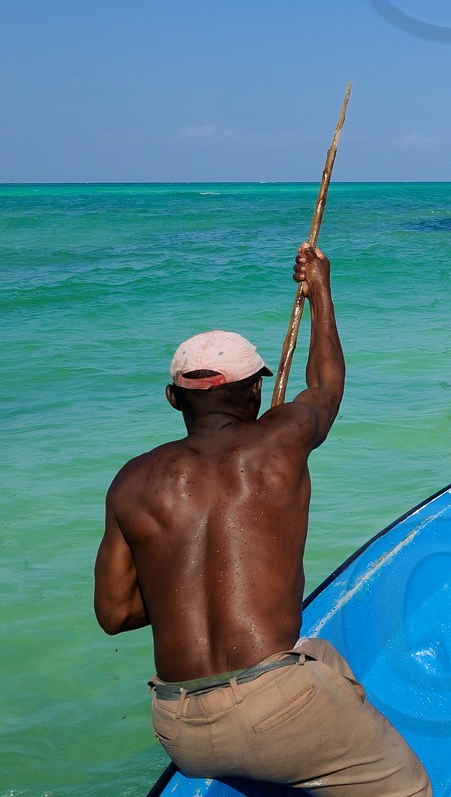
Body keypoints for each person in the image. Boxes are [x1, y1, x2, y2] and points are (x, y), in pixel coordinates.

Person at [94, 243, 430, 796]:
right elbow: (325, 387)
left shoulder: (131, 481)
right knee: (411, 788)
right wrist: (320, 288)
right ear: (255, 390)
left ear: (173, 399)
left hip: (178, 727)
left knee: (325, 659)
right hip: (270, 707)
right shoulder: (282, 440)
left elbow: (115, 614)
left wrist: (186, 590)